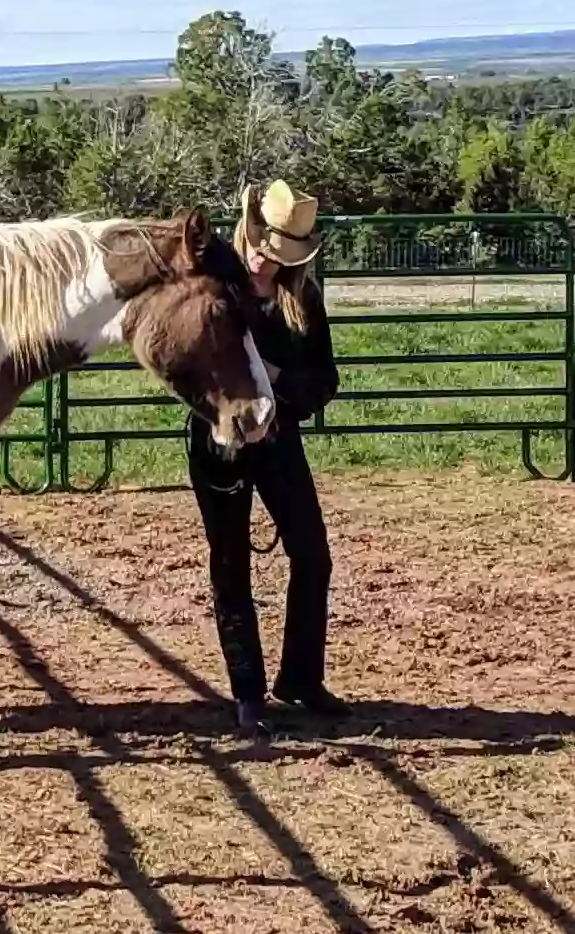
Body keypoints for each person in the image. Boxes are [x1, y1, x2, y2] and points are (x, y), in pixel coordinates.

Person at [186, 178, 348, 737]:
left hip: (279, 439)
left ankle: (301, 676)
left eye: (276, 253)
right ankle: (248, 691)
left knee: (313, 555)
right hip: (220, 441)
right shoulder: (213, 287)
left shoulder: (303, 300)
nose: (262, 257)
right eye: (260, 243)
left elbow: (325, 380)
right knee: (231, 564)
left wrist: (276, 382)